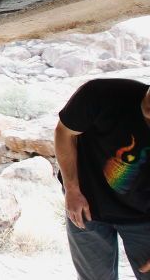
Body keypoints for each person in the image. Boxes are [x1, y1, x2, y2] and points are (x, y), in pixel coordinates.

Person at [55, 78, 150, 279]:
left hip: (144, 217)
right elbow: (64, 133)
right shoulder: (100, 94)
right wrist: (72, 190)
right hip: (88, 203)